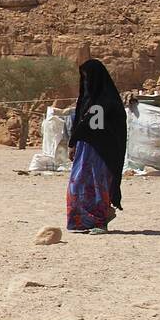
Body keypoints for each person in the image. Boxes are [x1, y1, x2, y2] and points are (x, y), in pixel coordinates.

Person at [66, 59, 126, 232]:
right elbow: (79, 122)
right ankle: (80, 221)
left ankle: (100, 220)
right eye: (83, 78)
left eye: (88, 78)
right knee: (78, 185)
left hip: (102, 151)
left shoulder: (109, 101)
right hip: (85, 149)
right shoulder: (85, 99)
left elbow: (115, 127)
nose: (85, 82)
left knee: (98, 185)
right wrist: (73, 142)